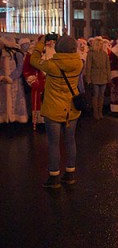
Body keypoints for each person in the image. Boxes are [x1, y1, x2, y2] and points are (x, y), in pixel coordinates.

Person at [30, 34, 83, 188]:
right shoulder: (78, 63)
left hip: (53, 108)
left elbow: (34, 60)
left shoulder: (51, 65)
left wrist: (41, 43)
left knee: (54, 143)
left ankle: (54, 176)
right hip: (71, 109)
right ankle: (70, 173)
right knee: (70, 141)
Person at [0, 36, 28, 124]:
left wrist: (10, 78)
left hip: (15, 83)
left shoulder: (17, 55)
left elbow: (19, 68)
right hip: (3, 83)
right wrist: (2, 77)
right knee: (4, 102)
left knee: (16, 102)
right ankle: (6, 119)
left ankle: (15, 120)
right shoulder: (2, 55)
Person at [85, 37, 111, 120]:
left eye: (101, 44)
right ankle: (95, 112)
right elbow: (88, 67)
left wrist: (108, 77)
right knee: (96, 95)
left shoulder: (104, 54)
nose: (101, 45)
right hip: (95, 76)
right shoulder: (91, 53)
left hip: (103, 76)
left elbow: (108, 66)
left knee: (101, 95)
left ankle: (100, 111)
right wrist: (88, 78)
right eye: (99, 44)